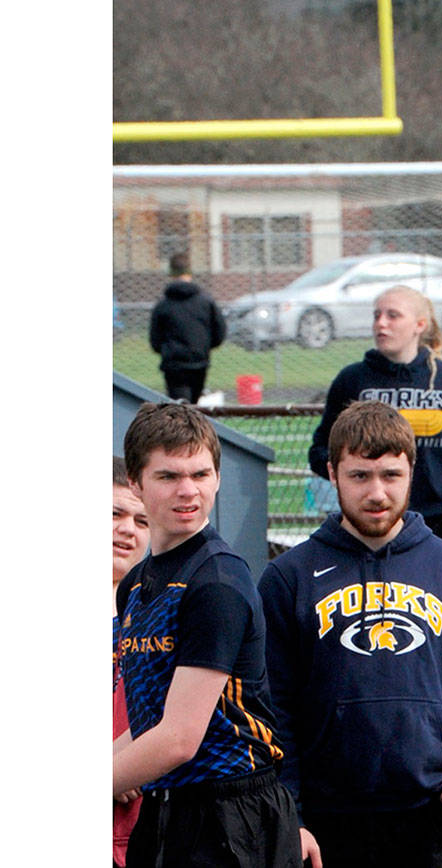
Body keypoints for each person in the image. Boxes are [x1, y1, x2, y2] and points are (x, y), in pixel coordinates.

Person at [261, 400, 442, 868]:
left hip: (433, 819)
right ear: (332, 473)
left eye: (391, 475)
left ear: (412, 472)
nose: (377, 492)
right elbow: (272, 709)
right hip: (326, 822)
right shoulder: (288, 578)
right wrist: (288, 816)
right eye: (360, 476)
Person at [113, 402, 299, 867]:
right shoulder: (136, 585)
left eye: (200, 474)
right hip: (167, 808)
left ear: (217, 477)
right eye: (168, 476)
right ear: (136, 482)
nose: (188, 491)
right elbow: (149, 718)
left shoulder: (217, 581)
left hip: (232, 814)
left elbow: (178, 738)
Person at [309, 285, 442, 582]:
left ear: (419, 325)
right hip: (367, 528)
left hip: (436, 524)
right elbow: (320, 452)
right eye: (377, 315)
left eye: (393, 315)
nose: (381, 323)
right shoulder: (353, 380)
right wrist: (359, 477)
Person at [112, 456, 150, 868]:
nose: (127, 529)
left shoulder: (160, 610)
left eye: (141, 522)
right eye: (114, 513)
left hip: (139, 829)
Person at [149, 252, 227, 403]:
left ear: (171, 273)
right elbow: (219, 332)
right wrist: (204, 347)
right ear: (189, 272)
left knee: (178, 405)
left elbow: (155, 340)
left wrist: (167, 349)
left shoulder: (163, 305)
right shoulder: (206, 302)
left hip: (173, 364)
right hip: (199, 361)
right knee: (194, 404)